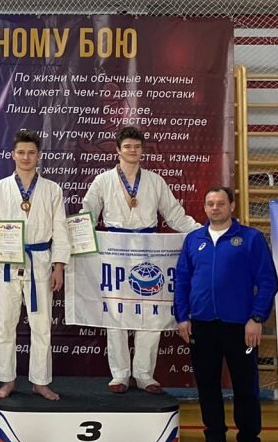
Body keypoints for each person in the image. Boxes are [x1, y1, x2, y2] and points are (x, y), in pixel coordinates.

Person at [81, 126, 200, 394]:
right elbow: (87, 214)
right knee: (115, 312)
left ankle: (145, 374)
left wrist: (202, 233)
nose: (132, 151)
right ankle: (120, 374)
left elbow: (175, 215)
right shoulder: (102, 181)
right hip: (114, 251)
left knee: (151, 312)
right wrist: (76, 240)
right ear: (118, 150)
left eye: (136, 147)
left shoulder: (155, 181)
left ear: (142, 151)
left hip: (148, 250)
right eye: (127, 147)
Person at [175, 187, 277, 442]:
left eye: (221, 203)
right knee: (207, 385)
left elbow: (268, 281)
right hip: (202, 326)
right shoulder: (194, 240)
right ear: (204, 208)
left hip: (240, 327)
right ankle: (215, 438)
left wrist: (257, 318)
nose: (215, 208)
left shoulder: (251, 239)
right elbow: (182, 280)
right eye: (210, 203)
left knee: (245, 387)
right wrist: (182, 317)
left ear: (232, 206)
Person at [0, 130, 70, 400]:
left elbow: (60, 229)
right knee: (4, 324)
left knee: (41, 326)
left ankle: (40, 381)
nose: (26, 157)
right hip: (8, 263)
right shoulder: (0, 188)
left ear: (38, 156)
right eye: (21, 152)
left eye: (31, 153)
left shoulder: (52, 189)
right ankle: (6, 380)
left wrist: (58, 266)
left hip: (40, 262)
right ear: (13, 155)